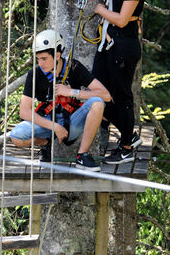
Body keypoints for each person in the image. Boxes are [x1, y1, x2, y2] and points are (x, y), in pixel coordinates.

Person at [91, 0, 155, 164]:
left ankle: (127, 144)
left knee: (120, 96)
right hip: (108, 45)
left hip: (123, 48)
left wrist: (99, 10)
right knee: (95, 87)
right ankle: (124, 132)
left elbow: (121, 19)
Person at [9, 29, 111, 171]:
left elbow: (105, 95)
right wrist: (55, 127)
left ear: (57, 55)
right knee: (16, 136)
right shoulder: (35, 74)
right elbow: (24, 112)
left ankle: (82, 155)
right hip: (48, 123)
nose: (40, 63)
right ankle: (45, 144)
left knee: (98, 103)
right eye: (38, 58)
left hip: (72, 122)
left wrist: (71, 92)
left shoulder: (74, 67)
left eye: (44, 59)